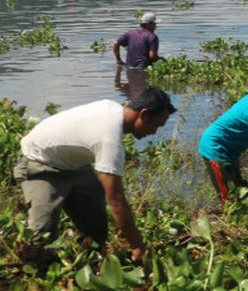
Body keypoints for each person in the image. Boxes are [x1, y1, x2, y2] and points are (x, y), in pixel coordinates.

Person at [13, 87, 176, 265]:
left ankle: (90, 261)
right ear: (143, 114)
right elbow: (116, 200)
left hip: (74, 166)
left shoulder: (113, 108)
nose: (154, 132)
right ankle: (35, 272)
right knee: (41, 234)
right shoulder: (109, 138)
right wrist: (137, 245)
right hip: (39, 162)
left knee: (96, 225)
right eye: (156, 125)